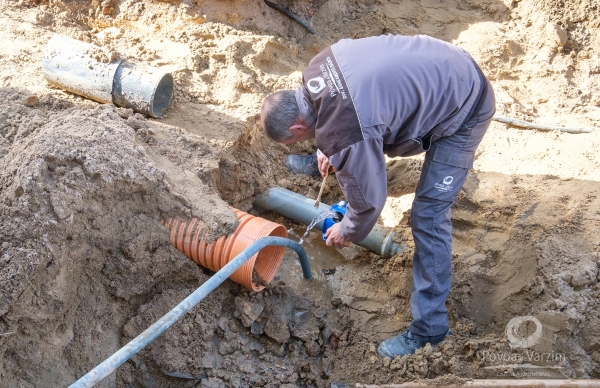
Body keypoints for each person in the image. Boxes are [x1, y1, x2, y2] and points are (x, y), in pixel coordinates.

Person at [260, 34, 495, 358]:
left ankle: (430, 330)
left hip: (463, 108)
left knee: (428, 216)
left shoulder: (345, 130)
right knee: (353, 138)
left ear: (297, 129)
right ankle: (337, 155)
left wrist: (349, 230)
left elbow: (371, 201)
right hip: (442, 67)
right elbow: (350, 112)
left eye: (296, 141)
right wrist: (329, 145)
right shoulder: (317, 69)